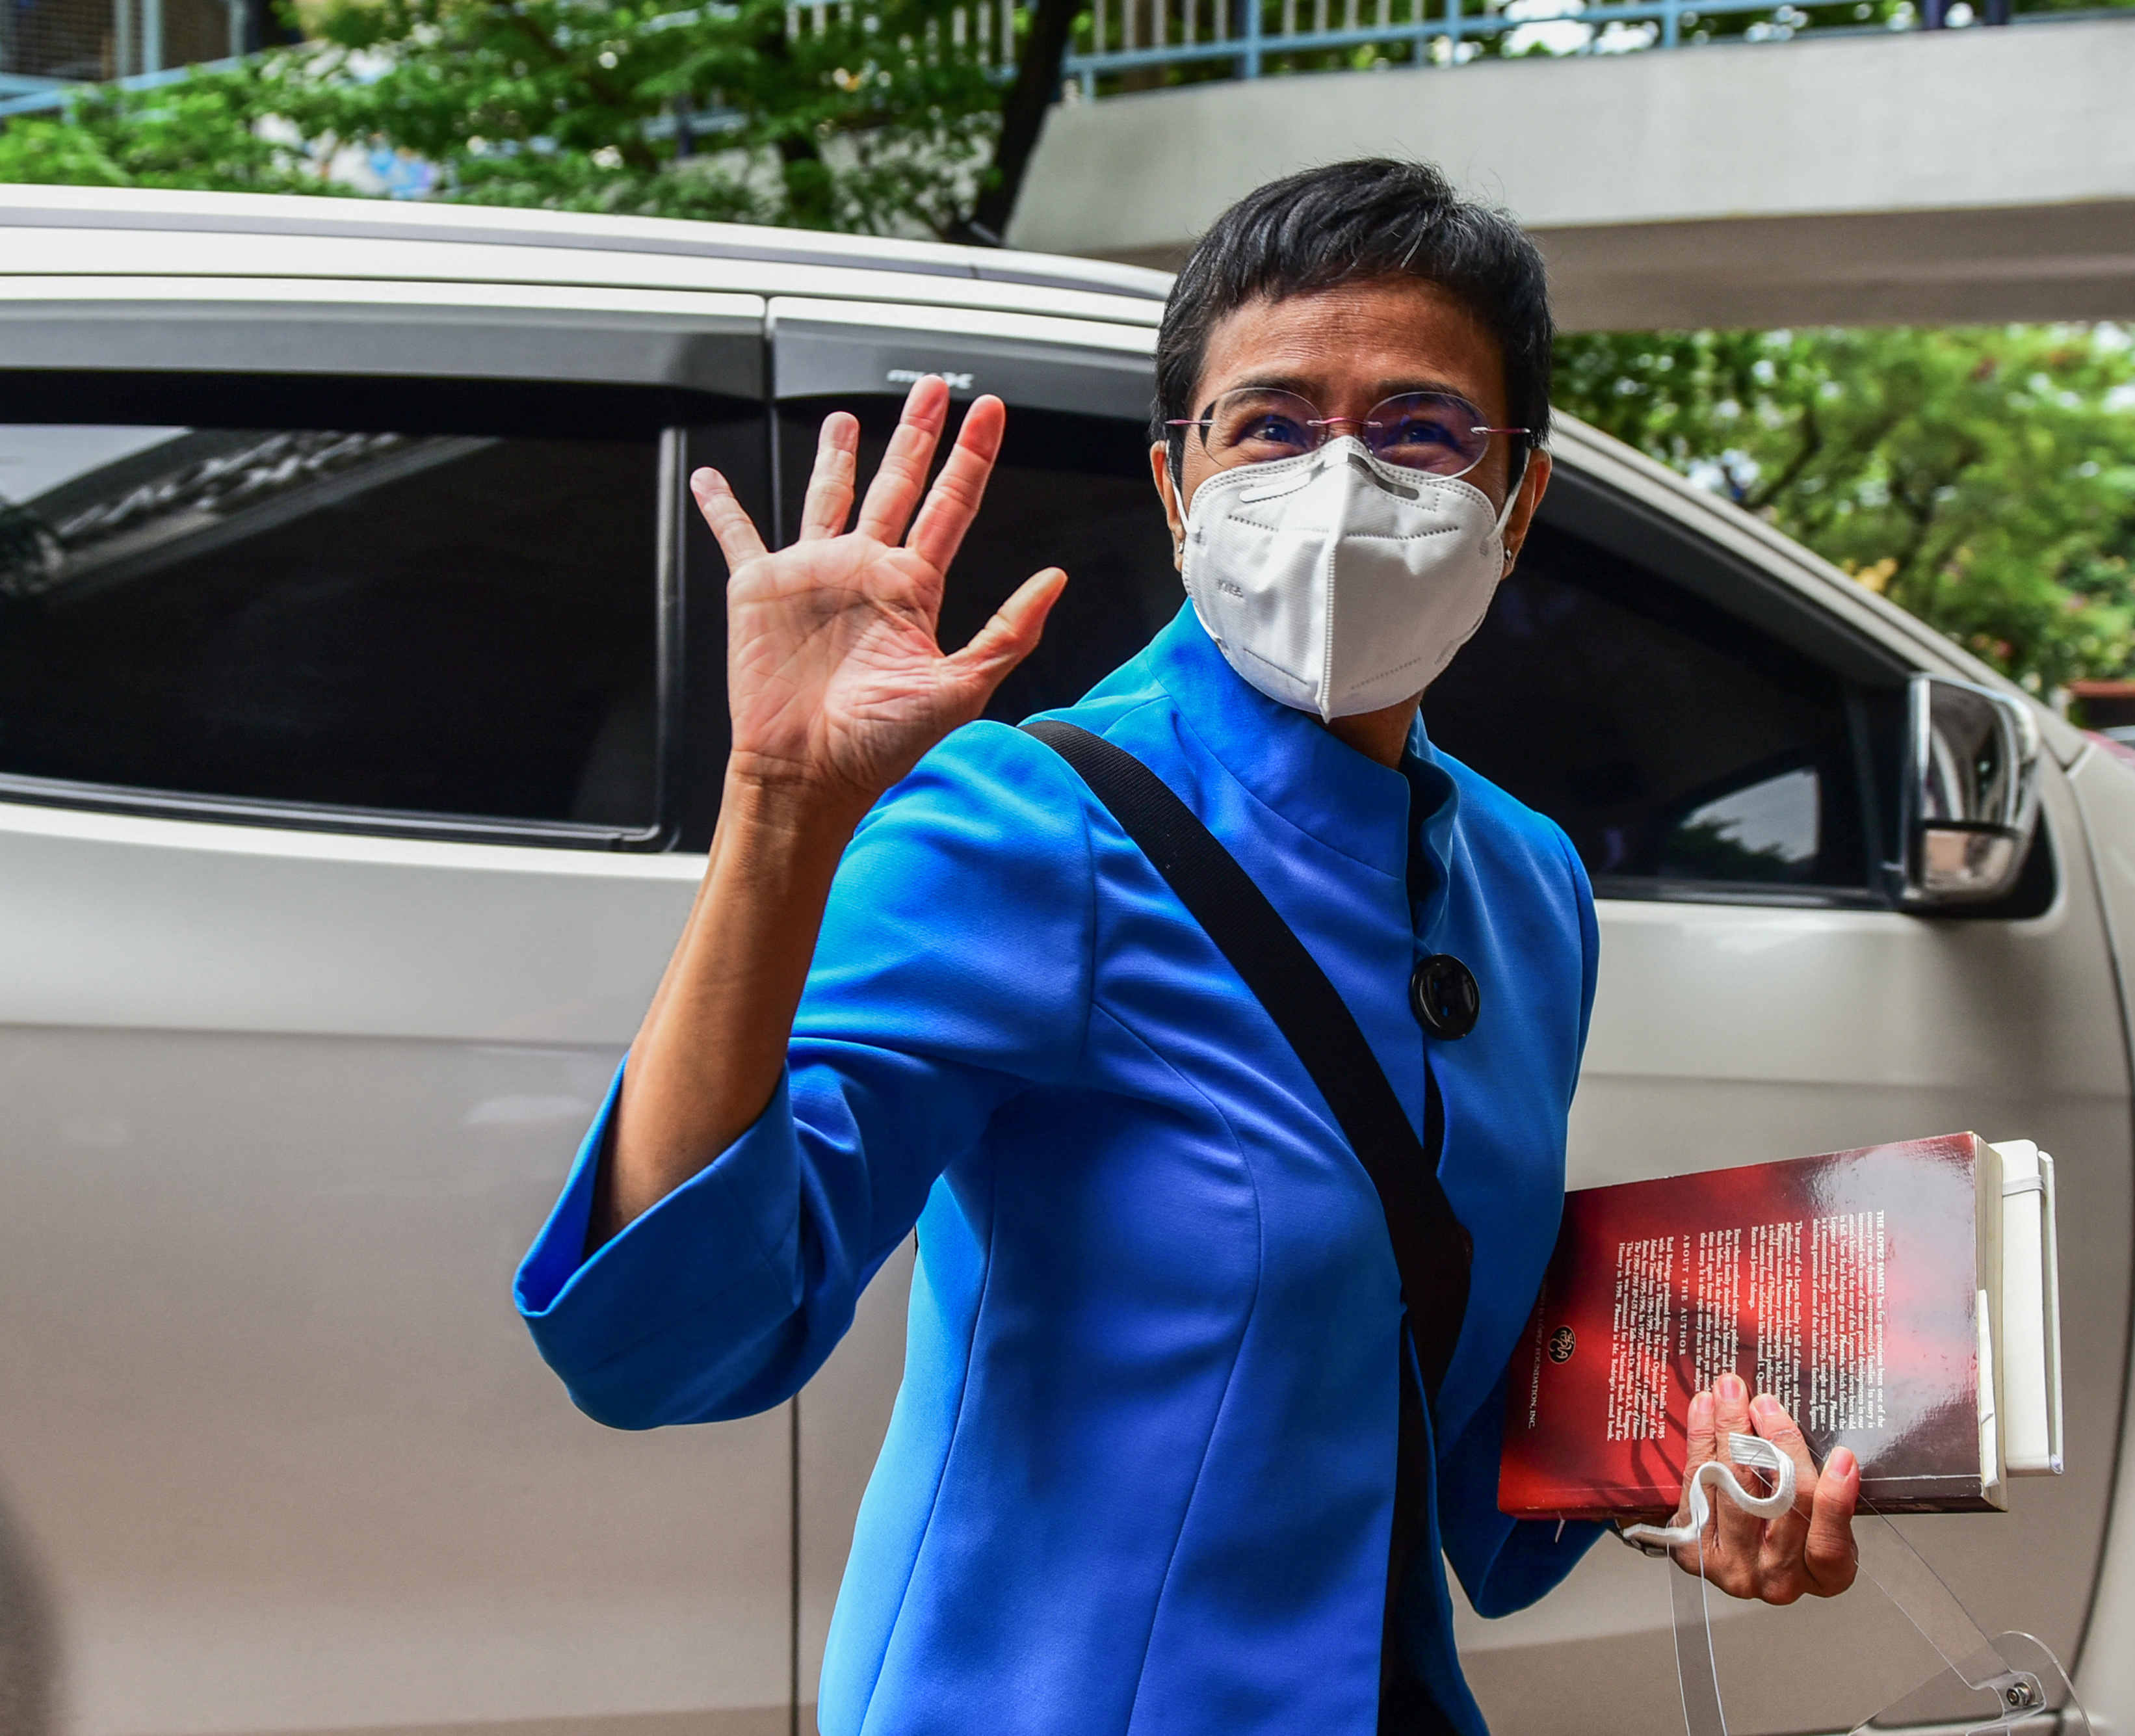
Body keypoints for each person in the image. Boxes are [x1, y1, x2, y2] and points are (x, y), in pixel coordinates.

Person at [514, 158, 1859, 1736]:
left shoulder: (1524, 880)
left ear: (1519, 497)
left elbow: (1453, 1404)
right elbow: (669, 1342)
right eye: (1272, 424)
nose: (1341, 479)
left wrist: (1699, 1465)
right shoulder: (1028, 820)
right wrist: (774, 813)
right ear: (1176, 485)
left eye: (1420, 429)